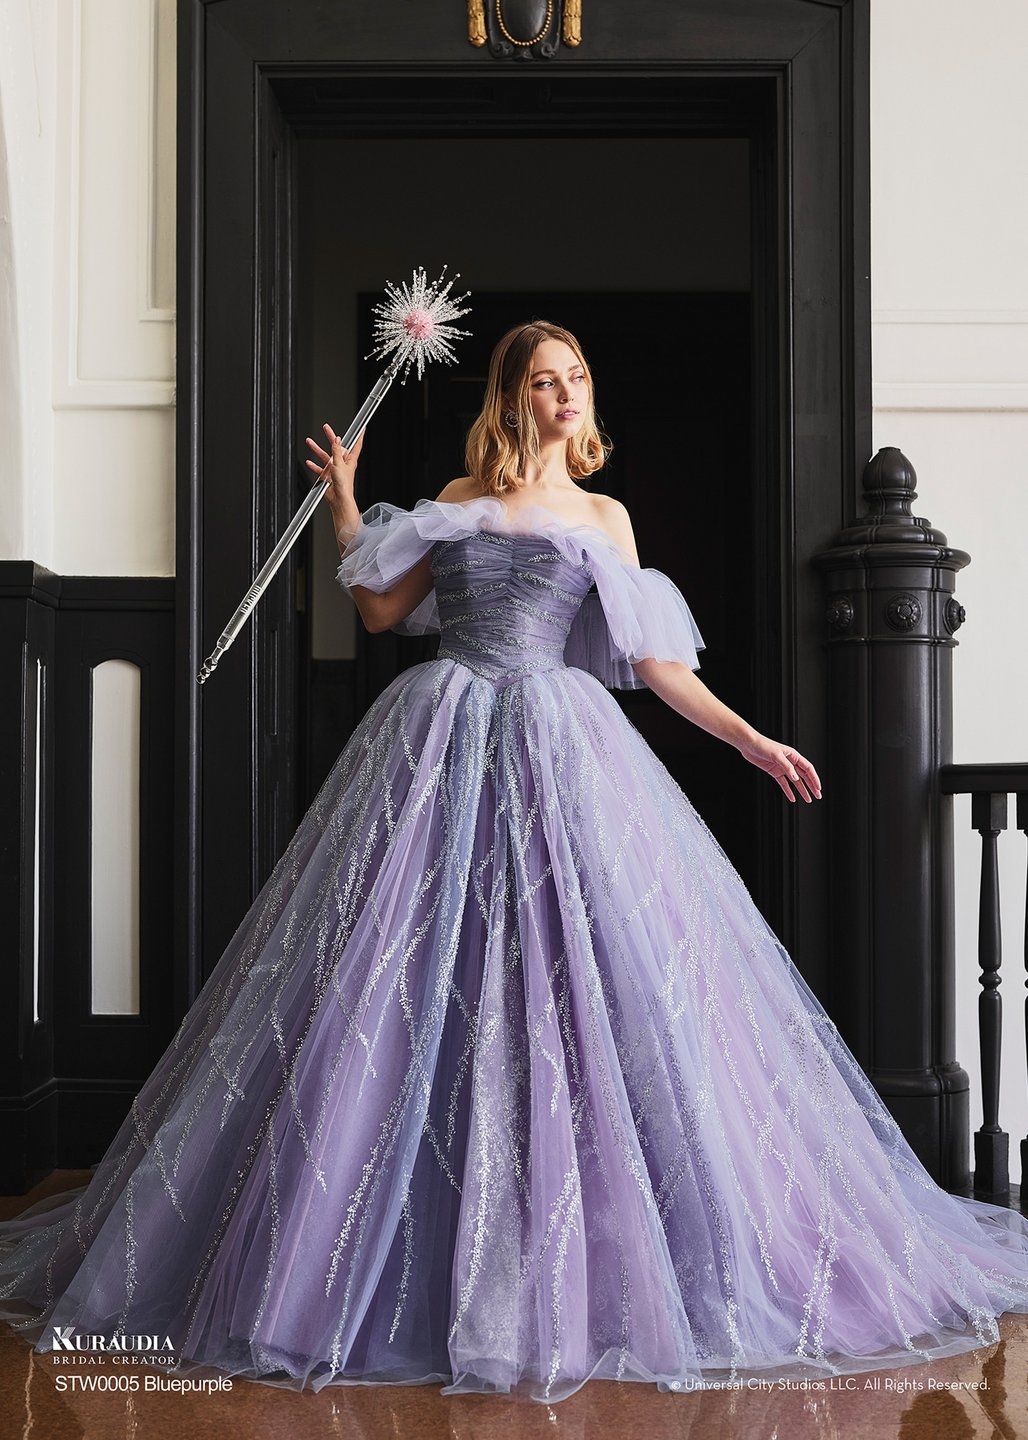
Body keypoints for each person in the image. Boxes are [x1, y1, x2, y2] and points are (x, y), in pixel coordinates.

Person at [1, 321, 1026, 1405]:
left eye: (576, 377)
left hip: (557, 741)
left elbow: (655, 664)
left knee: (574, 974)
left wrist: (749, 740)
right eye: (545, 381)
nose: (566, 395)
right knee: (401, 973)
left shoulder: (602, 516)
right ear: (510, 397)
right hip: (438, 732)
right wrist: (346, 500)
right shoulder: (457, 497)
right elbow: (382, 611)